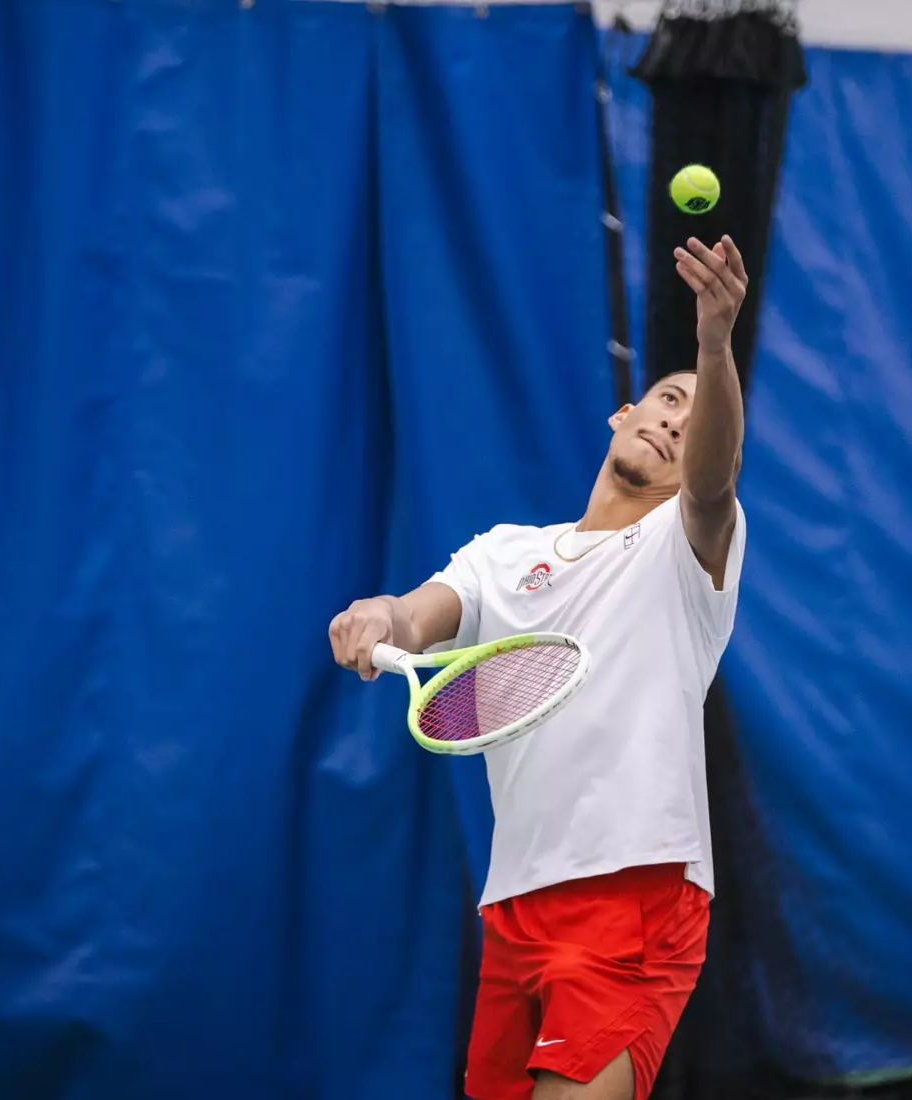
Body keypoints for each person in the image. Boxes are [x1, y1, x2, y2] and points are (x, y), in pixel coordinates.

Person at [328, 235, 751, 1100]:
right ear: (622, 413)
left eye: (693, 415)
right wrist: (382, 614)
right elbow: (417, 614)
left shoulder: (688, 548)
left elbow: (710, 482)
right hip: (515, 905)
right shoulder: (502, 554)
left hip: (637, 894)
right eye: (668, 399)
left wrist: (712, 346)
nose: (676, 420)